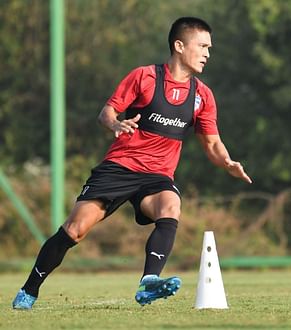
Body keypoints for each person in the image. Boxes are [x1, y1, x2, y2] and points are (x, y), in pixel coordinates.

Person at [12, 16, 252, 310]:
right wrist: (115, 125)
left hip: (157, 177)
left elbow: (212, 144)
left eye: (209, 48)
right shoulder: (144, 77)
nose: (207, 54)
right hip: (119, 168)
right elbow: (107, 112)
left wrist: (226, 163)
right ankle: (28, 290)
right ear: (179, 45)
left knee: (171, 207)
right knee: (75, 230)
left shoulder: (202, 95)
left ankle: (149, 281)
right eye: (202, 46)